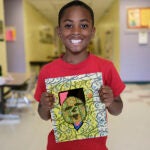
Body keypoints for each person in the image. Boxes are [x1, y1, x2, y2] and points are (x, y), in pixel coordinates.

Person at [34, 1, 125, 150]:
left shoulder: (106, 67)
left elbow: (118, 109)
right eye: (68, 25)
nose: (76, 31)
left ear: (93, 31)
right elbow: (44, 115)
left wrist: (109, 102)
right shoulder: (47, 71)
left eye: (83, 25)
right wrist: (45, 106)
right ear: (59, 31)